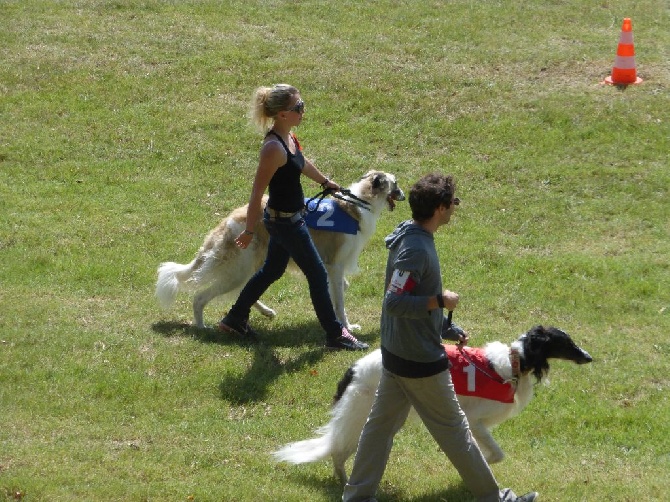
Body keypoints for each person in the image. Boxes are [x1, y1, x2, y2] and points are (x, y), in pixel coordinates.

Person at [342, 173, 537, 501]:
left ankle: (357, 497)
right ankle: (496, 498)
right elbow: (394, 302)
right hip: (418, 361)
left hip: (397, 353)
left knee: (379, 428)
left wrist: (442, 325)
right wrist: (439, 302)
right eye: (453, 204)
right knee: (456, 431)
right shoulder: (415, 248)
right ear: (441, 208)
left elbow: (409, 299)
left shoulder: (411, 236)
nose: (454, 209)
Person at [217, 84, 368, 351]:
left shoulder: (289, 138)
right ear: (282, 114)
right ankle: (335, 335)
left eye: (302, 104)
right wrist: (250, 230)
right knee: (318, 274)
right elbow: (256, 194)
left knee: (272, 270)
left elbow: (302, 162)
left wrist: (326, 181)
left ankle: (235, 318)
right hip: (284, 222)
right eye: (298, 107)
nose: (303, 111)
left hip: (290, 217)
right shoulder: (272, 149)